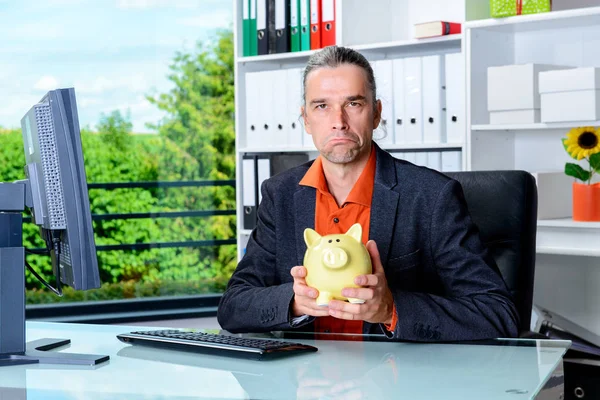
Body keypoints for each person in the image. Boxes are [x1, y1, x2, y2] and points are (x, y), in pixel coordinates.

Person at [217, 45, 519, 341]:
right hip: (304, 383)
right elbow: (233, 307)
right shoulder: (279, 194)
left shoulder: (431, 196)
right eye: (322, 106)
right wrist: (294, 302)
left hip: (395, 382)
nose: (339, 121)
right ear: (306, 119)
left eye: (353, 104)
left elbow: (498, 313)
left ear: (376, 113)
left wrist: (390, 309)